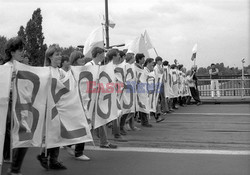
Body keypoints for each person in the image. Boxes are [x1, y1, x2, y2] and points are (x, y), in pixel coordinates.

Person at [37, 44, 67, 170]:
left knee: (57, 133)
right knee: (51, 132)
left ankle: (52, 159)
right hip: (49, 106)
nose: (59, 57)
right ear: (50, 57)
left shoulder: (61, 71)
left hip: (60, 106)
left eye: (60, 54)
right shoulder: (45, 71)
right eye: (57, 55)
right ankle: (45, 155)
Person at [3, 36, 27, 175]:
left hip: (21, 102)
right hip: (10, 101)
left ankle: (14, 168)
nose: (22, 52)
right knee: (14, 132)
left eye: (22, 49)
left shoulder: (23, 67)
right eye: (19, 49)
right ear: (12, 52)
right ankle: (13, 168)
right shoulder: (6, 68)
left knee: (23, 133)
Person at [85, 47, 117, 149]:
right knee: (86, 121)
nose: (104, 56)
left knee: (101, 118)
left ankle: (104, 142)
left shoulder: (99, 66)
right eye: (103, 54)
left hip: (98, 97)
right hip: (89, 98)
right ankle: (71, 142)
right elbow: (85, 82)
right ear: (98, 54)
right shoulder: (89, 66)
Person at [60, 51, 90, 161]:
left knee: (80, 125)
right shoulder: (71, 72)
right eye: (80, 58)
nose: (83, 59)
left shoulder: (84, 70)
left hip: (84, 99)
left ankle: (69, 145)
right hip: (76, 101)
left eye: (83, 57)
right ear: (75, 59)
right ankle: (78, 151)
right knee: (82, 125)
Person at [135, 53, 152, 127]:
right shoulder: (136, 67)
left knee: (144, 103)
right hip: (139, 87)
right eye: (143, 59)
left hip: (143, 87)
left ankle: (144, 120)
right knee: (142, 104)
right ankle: (144, 121)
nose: (144, 60)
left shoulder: (141, 68)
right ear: (139, 59)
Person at [144, 58, 164, 123]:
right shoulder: (144, 71)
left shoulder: (150, 71)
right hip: (145, 90)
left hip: (151, 91)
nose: (153, 64)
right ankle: (155, 117)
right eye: (152, 62)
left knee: (153, 102)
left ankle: (156, 116)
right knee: (148, 104)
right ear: (148, 63)